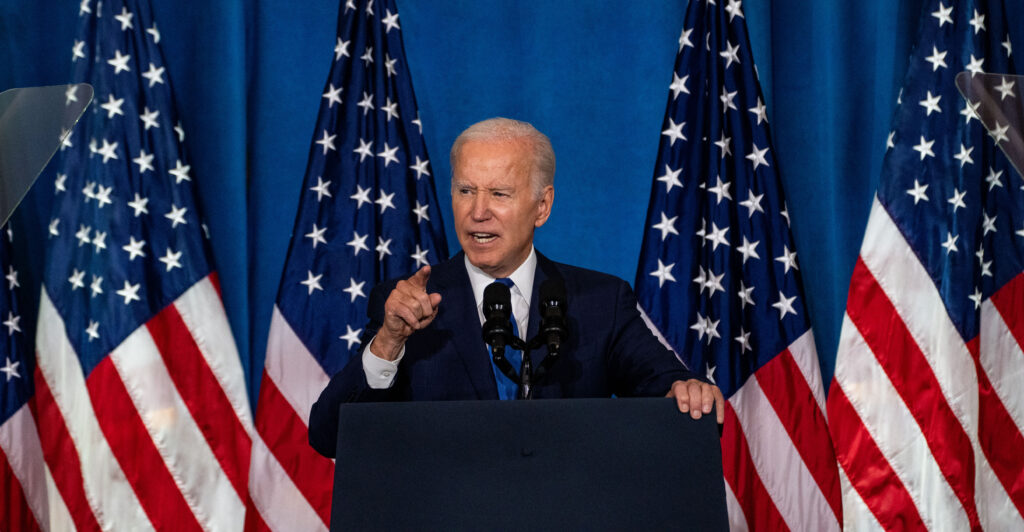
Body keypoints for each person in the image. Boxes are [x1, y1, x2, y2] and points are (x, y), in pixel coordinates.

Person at [309, 117, 724, 458]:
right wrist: (387, 343)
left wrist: (683, 390)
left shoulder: (601, 301)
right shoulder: (404, 305)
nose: (478, 212)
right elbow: (329, 437)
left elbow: (665, 383)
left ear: (542, 206)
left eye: (499, 194)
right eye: (465, 191)